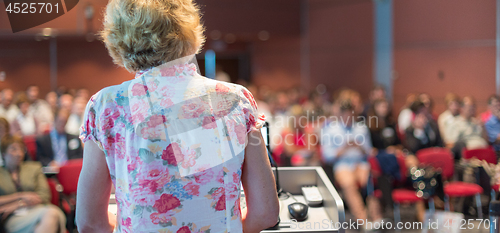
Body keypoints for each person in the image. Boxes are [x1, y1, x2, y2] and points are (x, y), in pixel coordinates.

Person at [75, 0, 279, 232]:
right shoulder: (236, 100)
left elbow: (89, 222)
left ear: (119, 38)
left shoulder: (105, 106)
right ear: (188, 30)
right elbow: (265, 214)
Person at [321, 101, 382, 223]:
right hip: (342, 164)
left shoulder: (361, 128)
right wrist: (344, 148)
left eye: (351, 115)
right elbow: (327, 156)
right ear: (341, 115)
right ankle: (363, 221)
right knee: (349, 184)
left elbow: (370, 152)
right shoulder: (330, 129)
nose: (349, 118)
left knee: (370, 182)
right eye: (346, 115)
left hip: (360, 163)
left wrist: (360, 147)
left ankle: (376, 218)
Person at [0, 136, 66, 233]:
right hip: (13, 218)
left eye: (21, 149)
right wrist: (22, 195)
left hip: (38, 210)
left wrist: (17, 204)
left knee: (51, 215)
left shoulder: (34, 168)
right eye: (14, 149)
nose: (19, 154)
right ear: (4, 153)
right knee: (52, 216)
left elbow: (44, 196)